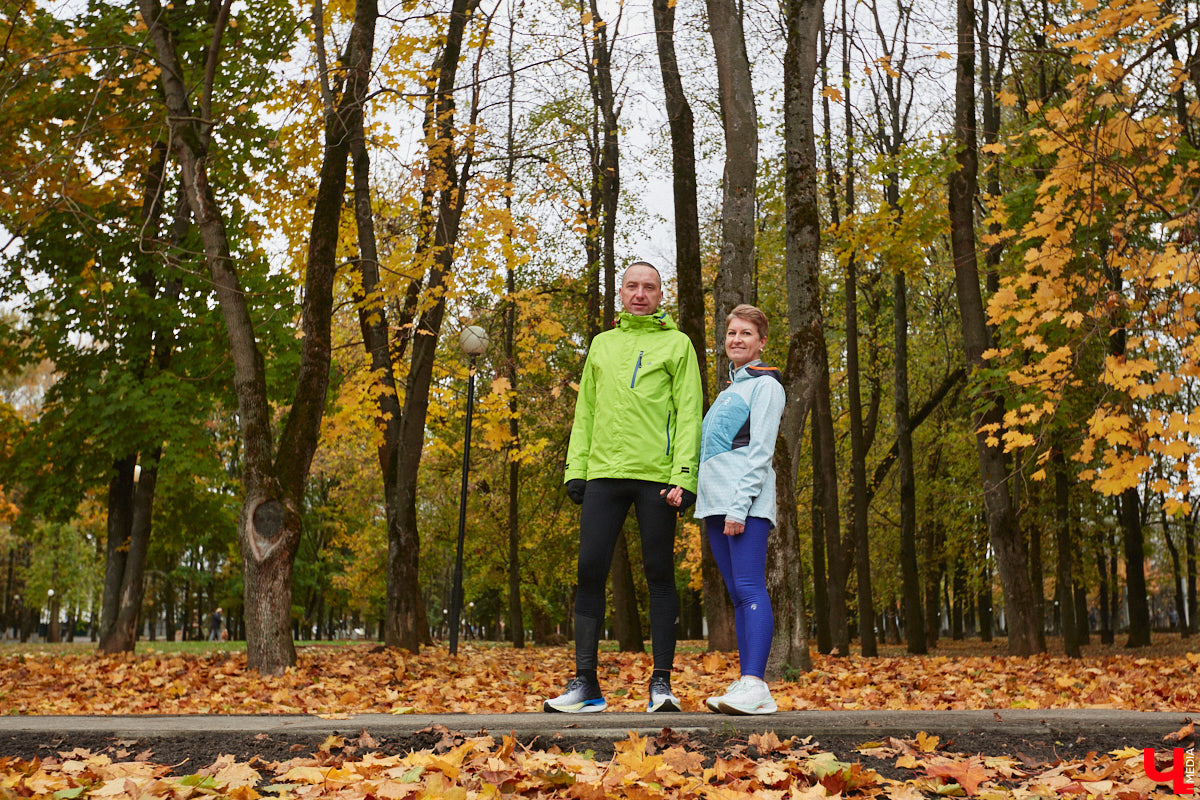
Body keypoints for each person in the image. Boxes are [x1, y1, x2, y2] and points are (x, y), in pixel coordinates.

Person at [545, 261, 703, 713]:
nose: (640, 294)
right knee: (589, 570)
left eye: (648, 287)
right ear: (621, 292)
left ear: (660, 294)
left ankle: (662, 685)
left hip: (656, 477)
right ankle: (586, 684)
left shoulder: (678, 345)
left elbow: (689, 413)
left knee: (659, 575)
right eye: (632, 286)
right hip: (602, 474)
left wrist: (684, 476)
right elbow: (586, 412)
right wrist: (576, 468)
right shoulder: (602, 345)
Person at [675, 304, 784, 715]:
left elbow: (760, 452)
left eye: (746, 334)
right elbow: (712, 453)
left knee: (751, 587)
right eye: (732, 333)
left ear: (761, 342)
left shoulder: (766, 386)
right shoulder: (728, 391)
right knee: (738, 595)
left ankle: (757, 685)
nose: (737, 339)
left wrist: (740, 507)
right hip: (716, 505)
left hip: (745, 505)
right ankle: (747, 681)